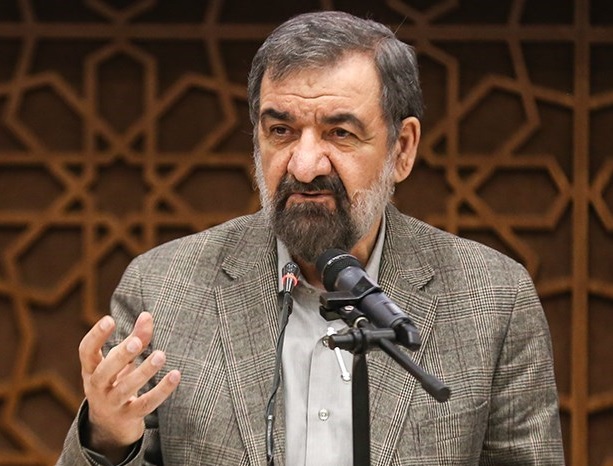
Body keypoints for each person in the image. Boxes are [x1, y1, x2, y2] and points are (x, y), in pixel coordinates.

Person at [57, 10, 565, 466]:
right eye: (280, 131)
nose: (303, 165)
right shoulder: (162, 289)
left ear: (403, 149)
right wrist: (108, 439)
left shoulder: (493, 300)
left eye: (339, 133)